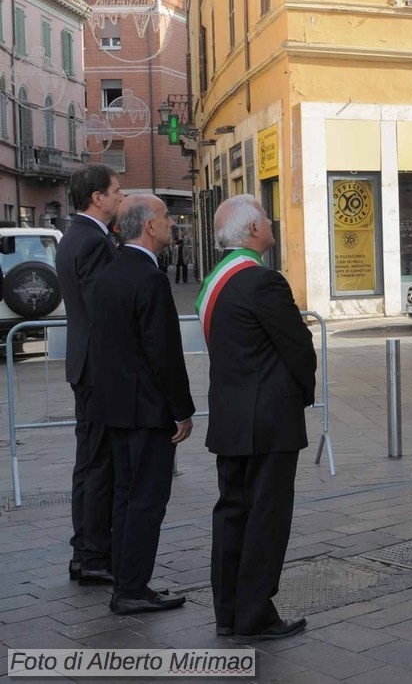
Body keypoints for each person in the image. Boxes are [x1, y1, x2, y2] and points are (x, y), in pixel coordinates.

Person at [199, 195, 315, 641]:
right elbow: (298, 347)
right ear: (251, 231)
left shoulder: (216, 281)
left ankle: (228, 613)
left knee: (232, 516)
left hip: (230, 420)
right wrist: (304, 393)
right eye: (265, 218)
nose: (271, 222)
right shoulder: (262, 281)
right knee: (265, 518)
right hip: (268, 422)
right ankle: (255, 615)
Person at [88, 194, 195, 615]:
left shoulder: (110, 273)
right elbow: (163, 351)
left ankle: (127, 580)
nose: (171, 223)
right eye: (166, 217)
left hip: (116, 407)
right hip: (147, 410)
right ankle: (132, 588)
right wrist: (181, 409)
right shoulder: (149, 278)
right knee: (147, 499)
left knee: (126, 496)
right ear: (149, 227)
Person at [57, 164, 123, 585]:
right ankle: (94, 554)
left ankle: (86, 550)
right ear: (97, 198)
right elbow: (107, 309)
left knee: (89, 462)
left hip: (85, 363)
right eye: (116, 191)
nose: (121, 196)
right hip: (99, 366)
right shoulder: (94, 242)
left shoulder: (73, 237)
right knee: (99, 464)